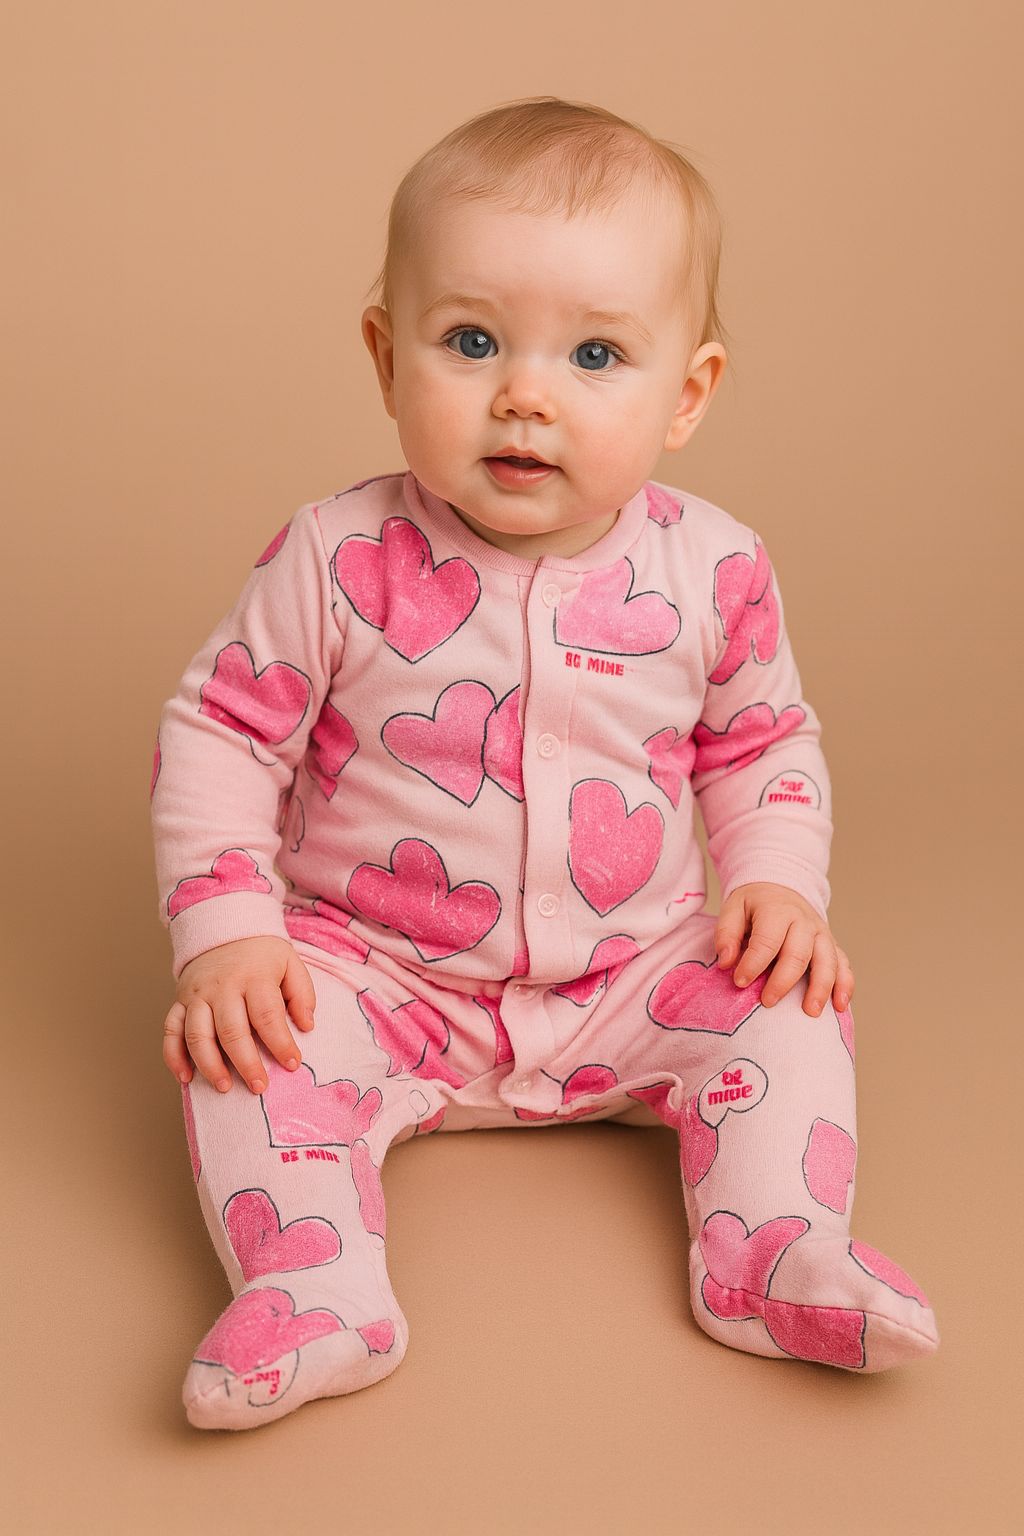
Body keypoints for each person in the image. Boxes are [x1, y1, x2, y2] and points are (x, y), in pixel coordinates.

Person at [150, 96, 939, 1432]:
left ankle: (773, 1253)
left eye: (595, 354)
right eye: (470, 342)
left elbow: (759, 742)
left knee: (788, 1003)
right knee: (251, 1045)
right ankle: (315, 1286)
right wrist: (227, 934)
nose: (525, 393)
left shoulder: (717, 568)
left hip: (636, 972)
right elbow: (224, 733)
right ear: (384, 355)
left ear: (688, 394)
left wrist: (777, 886)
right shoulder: (337, 557)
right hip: (378, 971)